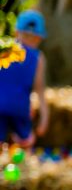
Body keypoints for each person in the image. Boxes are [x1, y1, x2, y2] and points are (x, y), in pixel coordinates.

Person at [0, 11, 49, 148]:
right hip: (20, 107)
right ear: (39, 38)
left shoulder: (4, 50)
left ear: (16, 32)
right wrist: (44, 118)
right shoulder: (38, 58)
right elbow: (39, 89)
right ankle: (23, 159)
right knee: (26, 141)